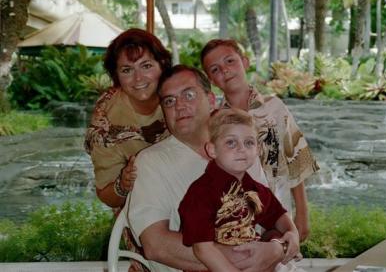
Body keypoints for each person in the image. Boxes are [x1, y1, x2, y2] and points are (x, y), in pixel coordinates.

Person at [127, 65, 292, 272]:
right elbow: (156, 246)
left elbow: (268, 221)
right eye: (169, 101)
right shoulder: (151, 162)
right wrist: (237, 260)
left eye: (188, 95)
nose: (179, 106)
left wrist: (277, 248)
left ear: (212, 100)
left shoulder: (241, 150)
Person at [200, 39, 319, 242]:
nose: (225, 70)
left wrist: (302, 213)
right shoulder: (216, 122)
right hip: (239, 219)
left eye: (230, 61)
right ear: (211, 80)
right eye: (215, 69)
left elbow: (296, 160)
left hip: (279, 214)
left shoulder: (274, 108)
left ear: (245, 62)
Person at [84, 28, 172, 271]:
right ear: (116, 76)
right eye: (127, 70)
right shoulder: (106, 119)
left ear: (162, 64)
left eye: (146, 65)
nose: (138, 78)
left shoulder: (180, 91)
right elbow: (105, 193)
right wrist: (124, 183)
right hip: (139, 210)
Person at [178, 108, 300, 272]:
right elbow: (202, 249)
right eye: (231, 142)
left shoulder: (255, 190)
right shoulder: (201, 192)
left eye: (249, 142)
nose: (242, 149)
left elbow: (278, 215)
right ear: (212, 150)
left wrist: (292, 233)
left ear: (257, 149)